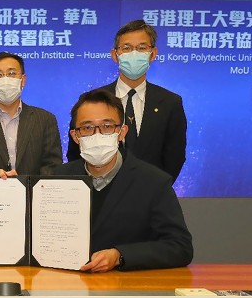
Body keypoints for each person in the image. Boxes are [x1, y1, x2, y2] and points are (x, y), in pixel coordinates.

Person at [55, 89, 193, 272]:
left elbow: (180, 247)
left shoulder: (153, 182)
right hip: (65, 288)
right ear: (75, 136)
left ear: (121, 132)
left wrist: (120, 255)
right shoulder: (57, 179)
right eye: (87, 128)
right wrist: (9, 187)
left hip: (127, 291)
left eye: (107, 126)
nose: (97, 135)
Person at [66, 20, 187, 182]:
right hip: (99, 192)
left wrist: (157, 189)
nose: (134, 53)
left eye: (142, 48)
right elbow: (75, 152)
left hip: (151, 195)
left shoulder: (170, 102)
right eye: (127, 48)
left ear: (153, 54)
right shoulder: (92, 100)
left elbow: (175, 156)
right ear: (115, 55)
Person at [0, 52, 62, 178]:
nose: (5, 80)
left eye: (12, 73)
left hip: (34, 196)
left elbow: (52, 166)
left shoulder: (45, 119)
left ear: (23, 80)